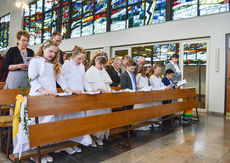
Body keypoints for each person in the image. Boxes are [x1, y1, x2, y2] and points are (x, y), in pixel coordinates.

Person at [27, 40, 76, 162]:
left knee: (49, 124)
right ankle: (35, 153)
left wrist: (69, 90)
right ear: (43, 48)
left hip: (51, 96)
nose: (52, 54)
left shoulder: (55, 64)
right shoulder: (35, 61)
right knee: (38, 125)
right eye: (50, 51)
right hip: (38, 96)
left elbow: (61, 79)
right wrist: (43, 90)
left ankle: (45, 150)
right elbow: (32, 79)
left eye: (55, 52)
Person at [61, 45, 92, 154]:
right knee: (69, 121)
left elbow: (84, 81)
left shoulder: (82, 66)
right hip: (70, 96)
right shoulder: (66, 65)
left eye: (83, 59)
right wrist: (70, 91)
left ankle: (76, 142)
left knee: (79, 121)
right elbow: (62, 81)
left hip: (80, 95)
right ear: (73, 56)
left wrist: (90, 91)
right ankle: (66, 144)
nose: (81, 61)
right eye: (79, 58)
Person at [85, 51, 112, 147]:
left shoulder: (103, 71)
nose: (101, 66)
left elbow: (107, 84)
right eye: (100, 64)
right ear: (95, 61)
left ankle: (100, 137)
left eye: (103, 64)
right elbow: (88, 86)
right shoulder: (90, 71)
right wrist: (95, 90)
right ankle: (92, 139)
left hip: (104, 100)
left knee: (104, 118)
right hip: (94, 100)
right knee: (94, 119)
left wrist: (109, 89)